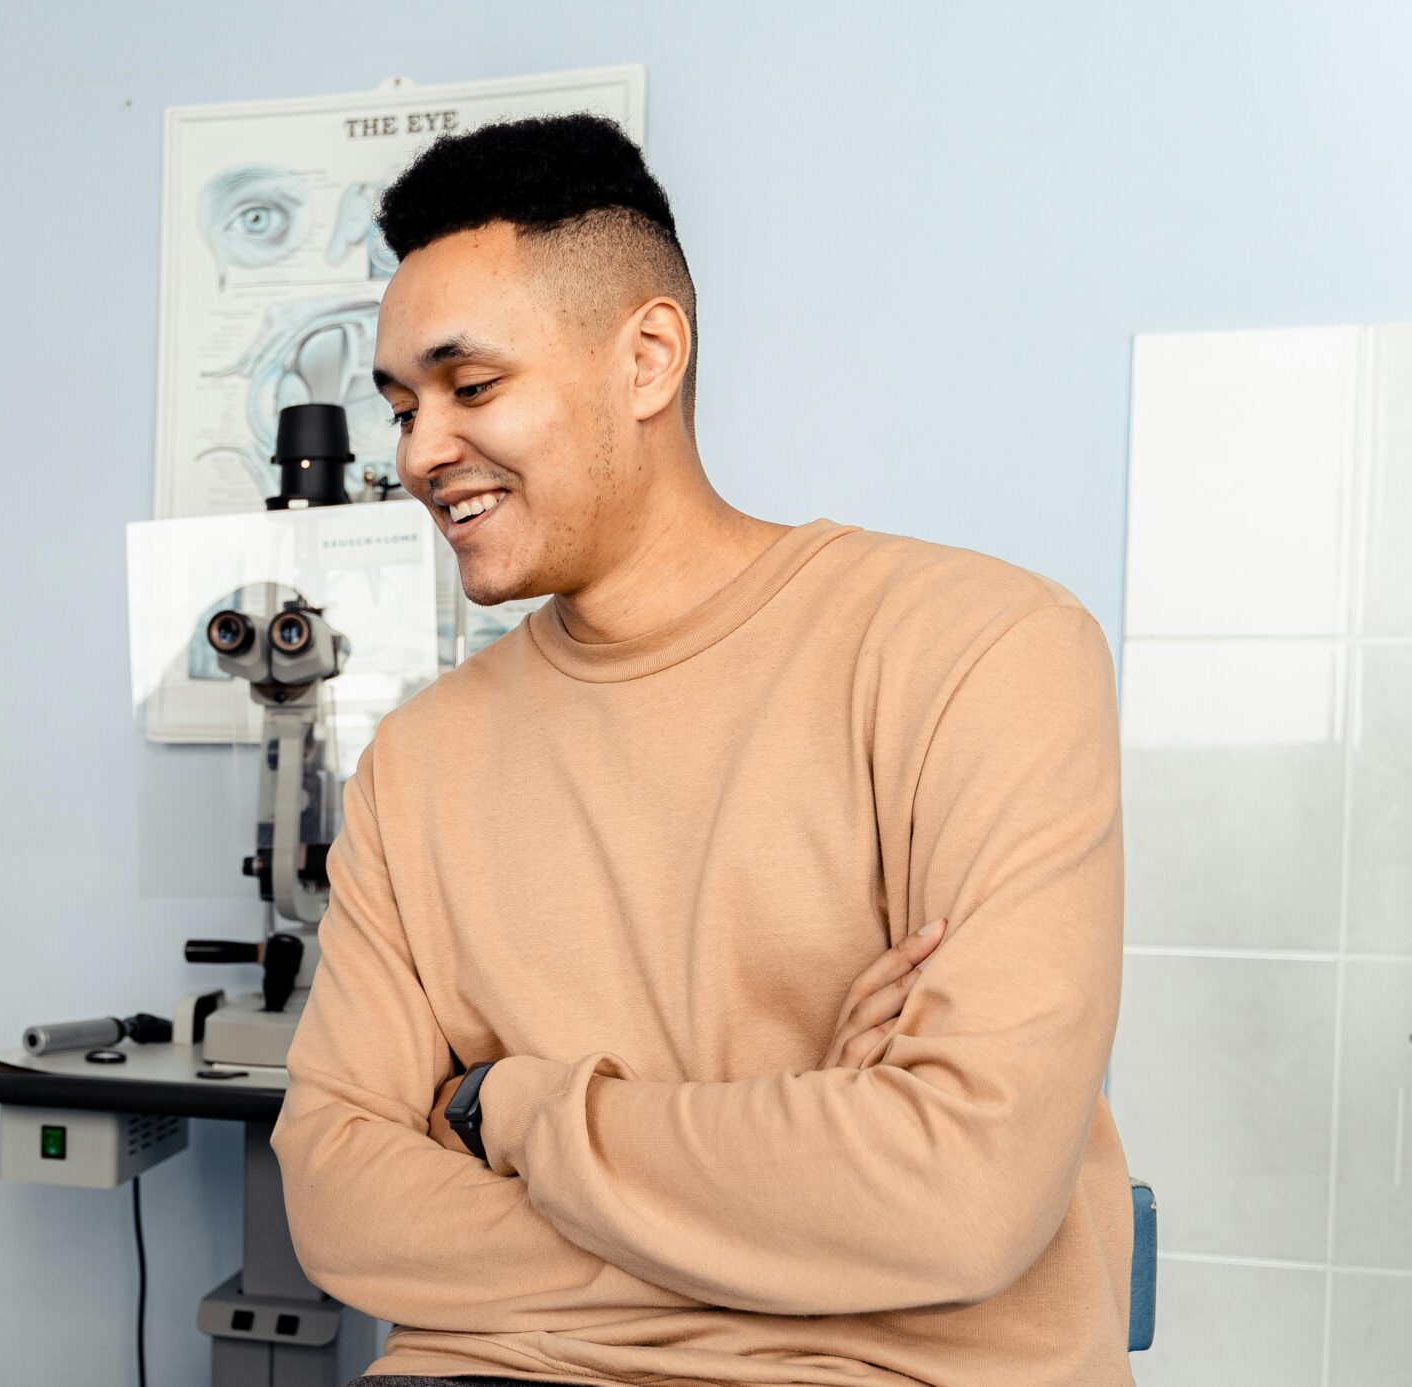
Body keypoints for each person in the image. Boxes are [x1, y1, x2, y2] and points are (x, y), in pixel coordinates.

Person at [271, 115, 1131, 1386]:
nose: (416, 453)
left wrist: (503, 1109)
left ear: (648, 357)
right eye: (401, 407)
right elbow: (338, 1197)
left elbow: (961, 1196)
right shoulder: (418, 758)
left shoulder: (984, 649)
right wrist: (803, 1225)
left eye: (471, 386)